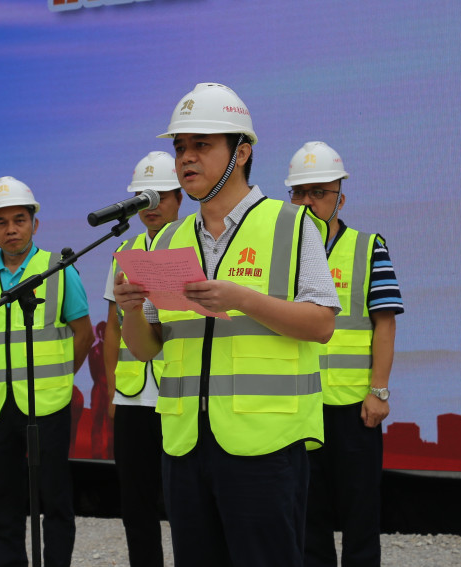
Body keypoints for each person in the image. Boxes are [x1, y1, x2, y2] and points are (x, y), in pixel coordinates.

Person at [114, 83, 341, 567]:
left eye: (201, 145)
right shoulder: (167, 239)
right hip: (185, 445)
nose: (186, 158)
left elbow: (322, 323)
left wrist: (242, 299)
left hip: (265, 443)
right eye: (180, 147)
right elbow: (147, 349)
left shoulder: (291, 224)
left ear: (242, 152)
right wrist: (131, 309)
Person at [284, 141, 404, 567]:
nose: (308, 202)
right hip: (299, 404)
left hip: (355, 407)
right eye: (299, 192)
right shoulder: (281, 253)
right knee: (306, 514)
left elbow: (385, 323)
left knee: (361, 513)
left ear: (340, 198)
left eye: (319, 192)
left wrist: (379, 391)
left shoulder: (368, 247)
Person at [0, 176, 94, 567]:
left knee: (54, 499)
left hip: (48, 405)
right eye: (1, 222)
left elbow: (84, 334)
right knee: (2, 502)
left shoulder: (58, 269)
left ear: (35, 224)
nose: (11, 229)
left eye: (19, 220)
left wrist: (60, 378)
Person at [102, 151, 183, 567]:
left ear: (180, 197)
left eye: (161, 196)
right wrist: (112, 391)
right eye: (143, 198)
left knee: (186, 505)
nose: (152, 206)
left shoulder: (195, 245)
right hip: (132, 397)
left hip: (179, 397)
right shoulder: (124, 250)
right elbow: (112, 327)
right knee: (136, 506)